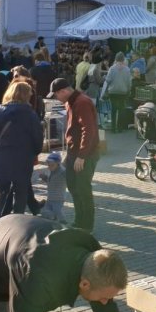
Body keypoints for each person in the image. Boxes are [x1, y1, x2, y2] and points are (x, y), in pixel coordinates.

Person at [0, 214, 129, 312]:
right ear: (85, 284)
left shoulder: (95, 259)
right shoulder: (37, 278)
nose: (105, 302)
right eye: (104, 297)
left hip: (16, 242)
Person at [0, 81, 43, 220]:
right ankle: (18, 222)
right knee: (21, 193)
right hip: (23, 159)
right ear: (26, 95)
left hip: (1, 158)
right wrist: (35, 152)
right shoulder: (31, 114)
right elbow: (37, 138)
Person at [47, 78, 99, 231]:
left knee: (83, 190)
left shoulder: (81, 102)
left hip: (83, 154)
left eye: (56, 95)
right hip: (74, 153)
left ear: (63, 91)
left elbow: (88, 130)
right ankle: (79, 221)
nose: (56, 98)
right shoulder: (71, 101)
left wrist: (81, 156)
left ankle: (86, 225)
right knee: (74, 187)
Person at [35, 151, 67, 222]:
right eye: (48, 165)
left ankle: (63, 223)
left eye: (52, 165)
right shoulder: (51, 171)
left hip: (58, 198)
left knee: (58, 212)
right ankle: (52, 220)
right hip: (50, 197)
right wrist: (44, 177)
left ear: (58, 164)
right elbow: (50, 181)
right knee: (45, 211)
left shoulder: (62, 172)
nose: (49, 167)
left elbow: (69, 176)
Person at [103, 52, 132, 132]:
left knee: (113, 109)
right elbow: (129, 82)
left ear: (116, 59)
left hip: (113, 91)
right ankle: (120, 128)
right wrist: (128, 90)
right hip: (123, 92)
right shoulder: (127, 69)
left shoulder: (112, 68)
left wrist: (106, 90)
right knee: (121, 109)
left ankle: (113, 128)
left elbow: (108, 80)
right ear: (123, 59)